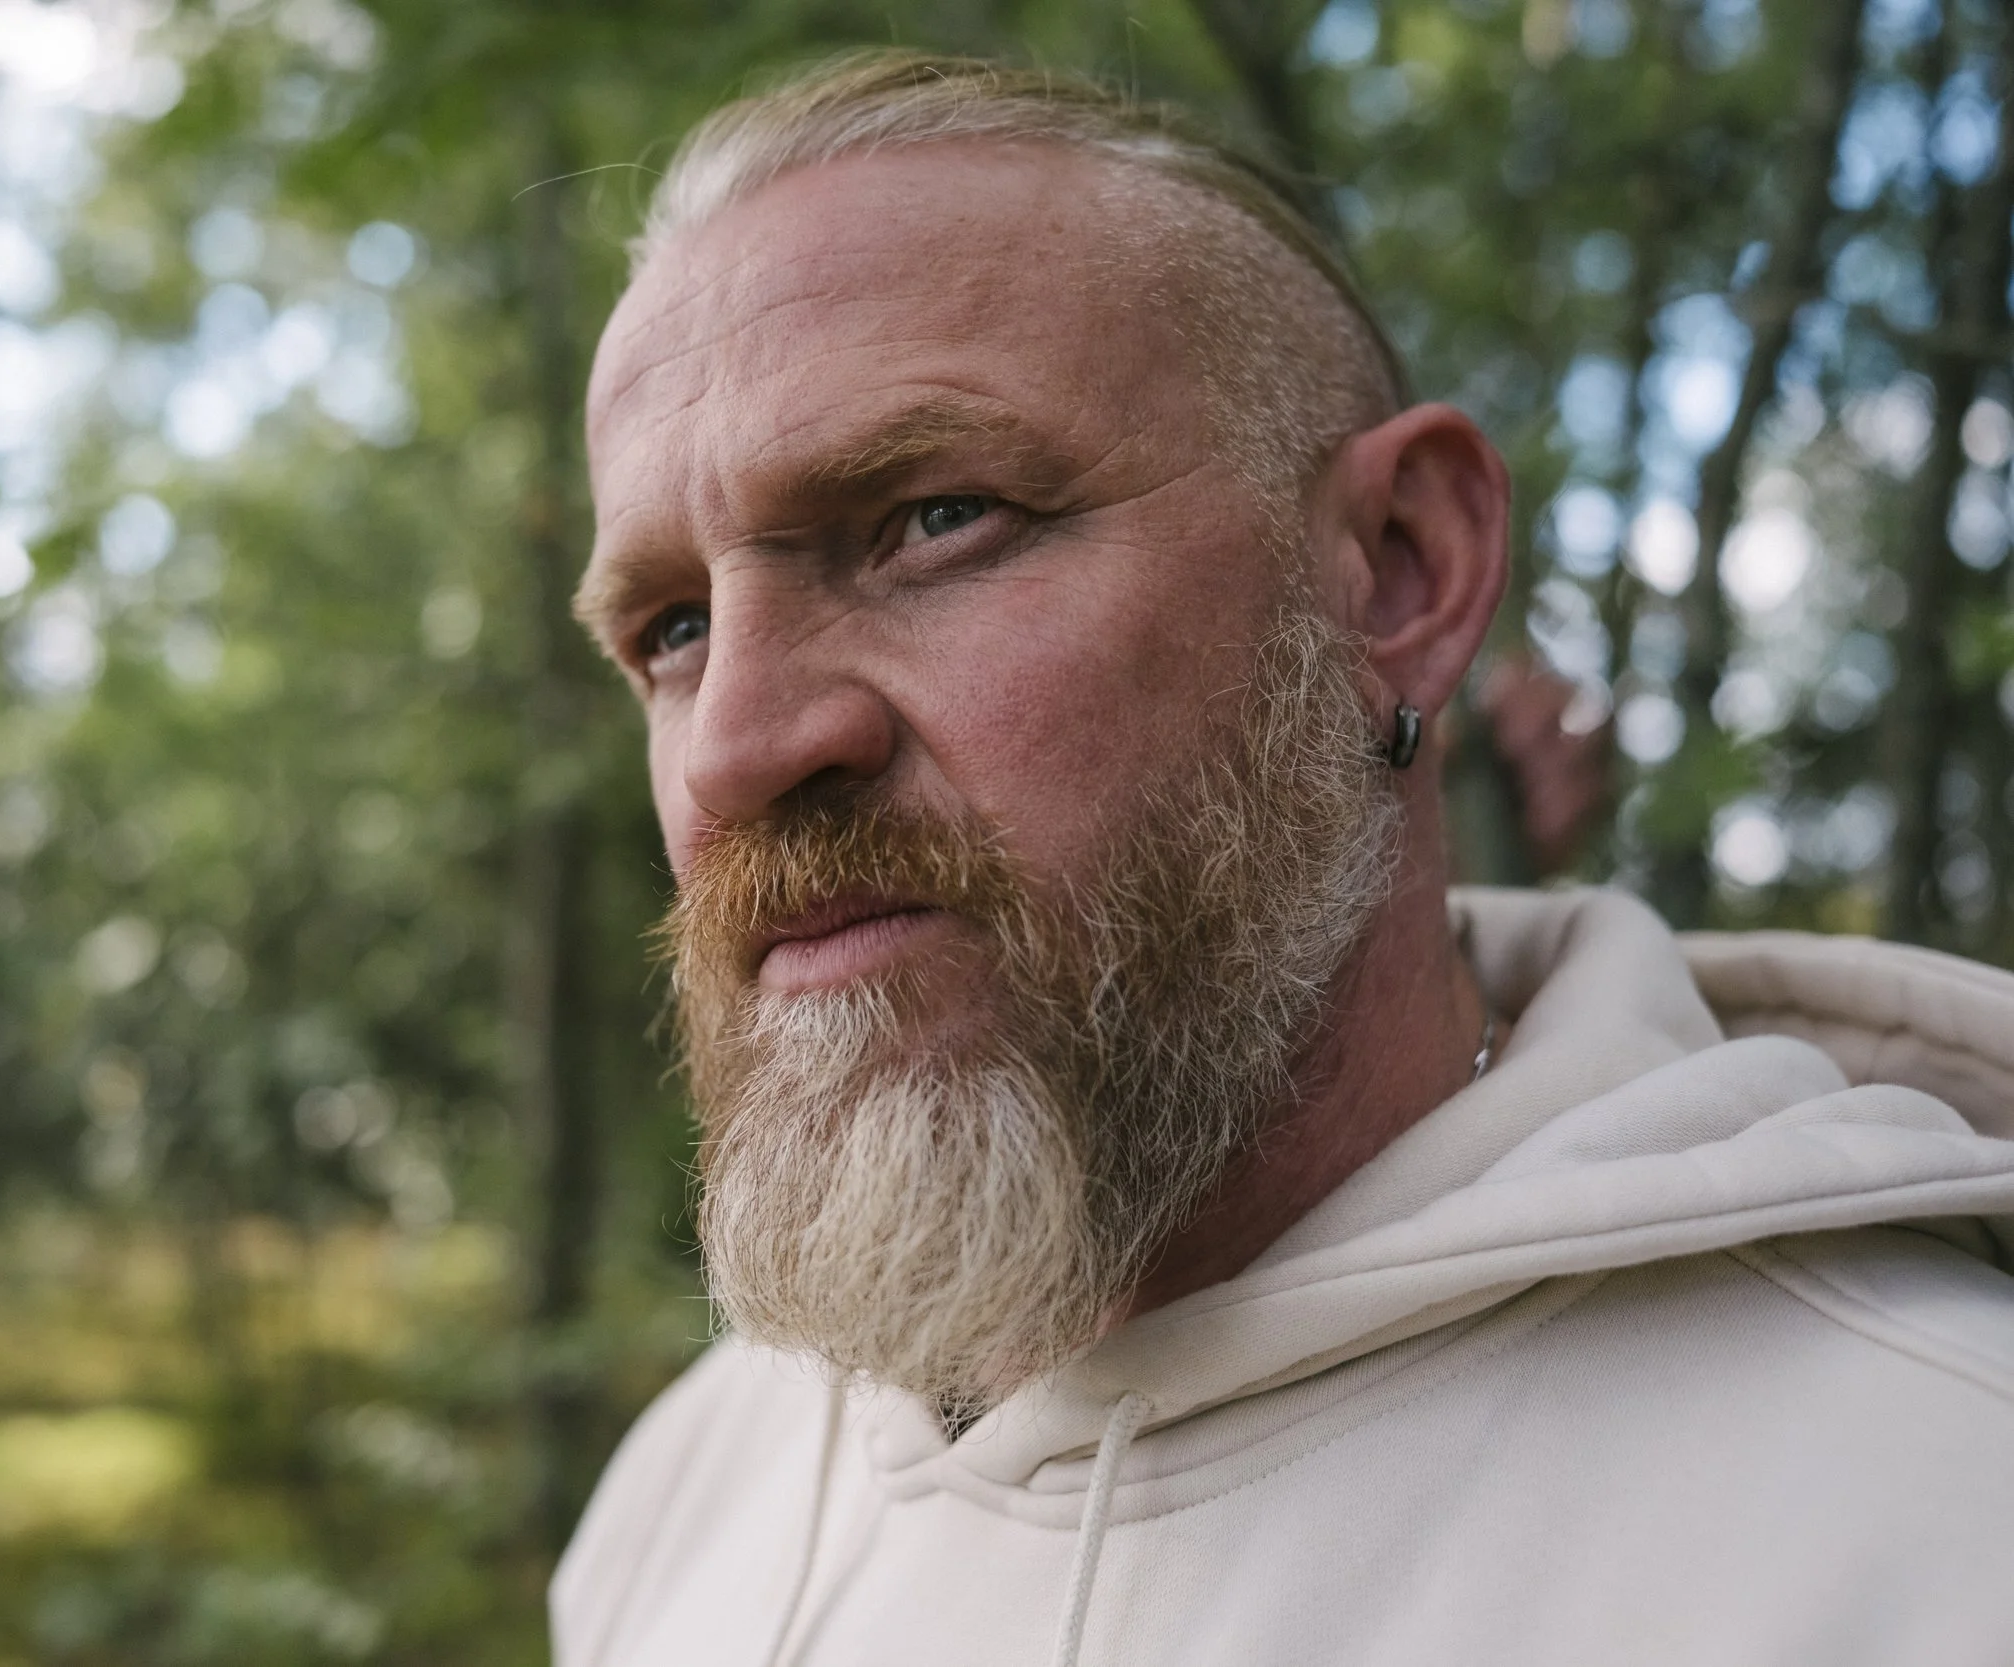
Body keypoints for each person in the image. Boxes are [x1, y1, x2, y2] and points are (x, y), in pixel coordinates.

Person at [552, 52, 2014, 1667]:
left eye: (934, 516)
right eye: (672, 627)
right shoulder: (691, 1494)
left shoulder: (1936, 1524)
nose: (738, 747)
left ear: (1399, 574)